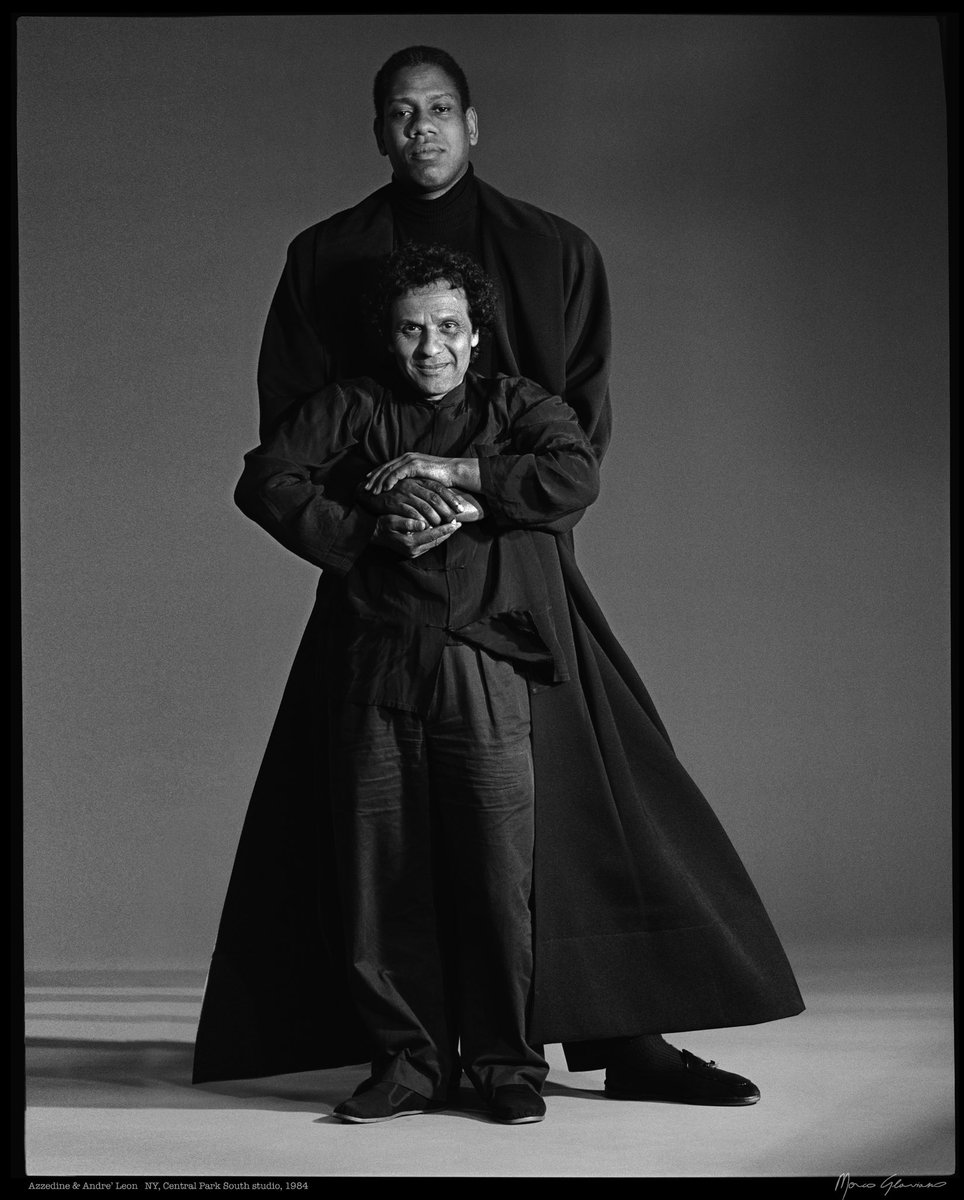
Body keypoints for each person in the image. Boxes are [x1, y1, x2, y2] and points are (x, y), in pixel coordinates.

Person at [192, 45, 804, 1113]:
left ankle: (613, 1040)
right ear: (377, 131)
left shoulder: (554, 248)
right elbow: (288, 429)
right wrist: (382, 518)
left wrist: (480, 496)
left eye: (439, 110)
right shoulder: (325, 255)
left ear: (473, 125)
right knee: (373, 830)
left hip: (521, 557)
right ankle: (409, 1051)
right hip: (383, 570)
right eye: (400, 113)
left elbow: (578, 434)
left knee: (579, 805)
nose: (420, 129)